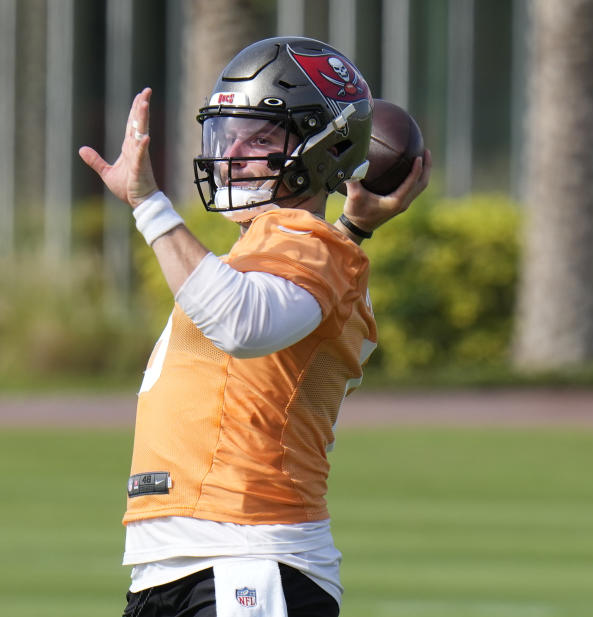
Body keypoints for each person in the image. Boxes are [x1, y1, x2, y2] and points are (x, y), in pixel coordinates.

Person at [79, 37, 431, 616]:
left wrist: (149, 204)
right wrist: (353, 226)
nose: (235, 152)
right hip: (185, 561)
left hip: (244, 556)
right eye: (227, 134)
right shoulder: (286, 252)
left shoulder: (306, 247)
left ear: (325, 149)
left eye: (261, 137)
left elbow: (241, 322)